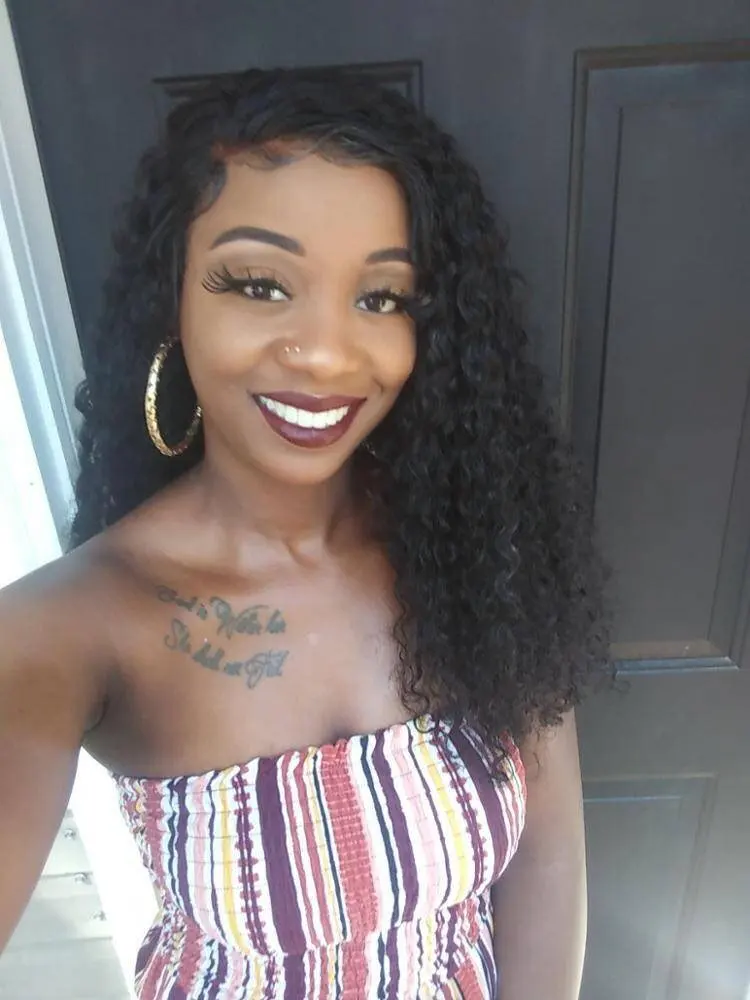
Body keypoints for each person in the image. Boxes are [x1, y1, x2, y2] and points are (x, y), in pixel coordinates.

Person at [0, 68, 610, 999]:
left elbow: (551, 860)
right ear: (174, 301)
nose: (325, 354)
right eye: (258, 284)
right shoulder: (67, 629)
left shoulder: (481, 546)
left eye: (383, 298)